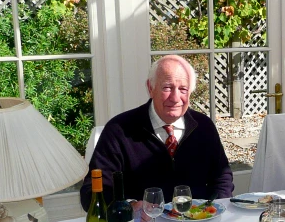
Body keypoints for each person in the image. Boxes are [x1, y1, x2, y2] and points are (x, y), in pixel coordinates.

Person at [80, 55, 233, 212]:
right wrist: (129, 207)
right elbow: (92, 193)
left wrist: (215, 209)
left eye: (183, 89)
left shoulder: (204, 127)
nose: (175, 98)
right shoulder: (119, 130)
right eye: (167, 87)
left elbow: (222, 177)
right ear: (150, 88)